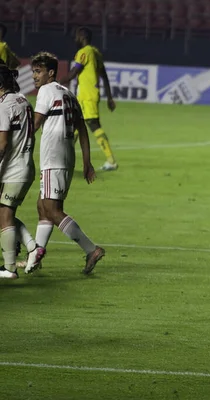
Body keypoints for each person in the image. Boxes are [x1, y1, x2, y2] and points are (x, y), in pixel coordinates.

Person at [27, 51, 105, 275]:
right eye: (33, 71)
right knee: (43, 207)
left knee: (52, 209)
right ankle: (36, 256)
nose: (34, 76)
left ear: (51, 73)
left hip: (54, 156)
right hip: (65, 156)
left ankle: (91, 249)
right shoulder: (69, 93)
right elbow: (82, 130)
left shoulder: (46, 91)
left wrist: (17, 141)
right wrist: (87, 163)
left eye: (38, 71)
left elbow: (36, 123)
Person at [0, 65, 42, 279]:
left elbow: (2, 142)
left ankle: (9, 268)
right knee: (6, 213)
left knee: (4, 214)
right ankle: (33, 248)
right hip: (25, 165)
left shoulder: (4, 105)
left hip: (14, 169)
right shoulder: (23, 100)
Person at [60, 26, 118, 171]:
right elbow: (104, 76)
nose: (75, 39)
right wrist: (109, 97)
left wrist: (56, 82)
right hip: (87, 95)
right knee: (75, 126)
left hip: (87, 96)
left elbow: (74, 72)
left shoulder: (84, 52)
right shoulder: (96, 53)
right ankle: (64, 159)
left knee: (93, 125)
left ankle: (111, 161)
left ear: (82, 37)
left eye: (77, 36)